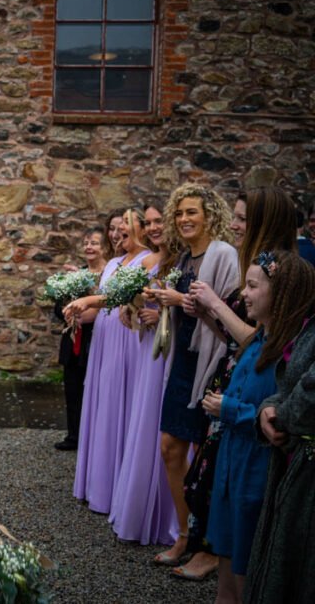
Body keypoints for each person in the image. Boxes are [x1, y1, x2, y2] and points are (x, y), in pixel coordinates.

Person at [183, 187, 298, 581]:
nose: (234, 224)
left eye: (243, 218)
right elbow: (235, 338)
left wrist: (215, 304)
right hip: (233, 381)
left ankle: (222, 561)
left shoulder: (284, 272)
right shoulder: (254, 266)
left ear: (264, 222)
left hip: (253, 395)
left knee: (233, 493)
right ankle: (213, 554)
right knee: (212, 483)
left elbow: (264, 341)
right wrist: (204, 314)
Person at [144, 183, 237, 568]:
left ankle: (208, 547)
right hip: (183, 361)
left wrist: (179, 300)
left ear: (210, 215)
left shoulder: (224, 255)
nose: (184, 219)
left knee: (204, 456)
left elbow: (232, 317)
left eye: (192, 212)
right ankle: (183, 534)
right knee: (171, 447)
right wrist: (162, 302)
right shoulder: (185, 258)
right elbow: (186, 308)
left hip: (211, 364)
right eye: (179, 213)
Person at [197, 251, 287, 604]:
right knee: (226, 552)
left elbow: (280, 419)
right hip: (230, 463)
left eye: (252, 286)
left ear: (278, 294)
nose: (244, 294)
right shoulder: (259, 341)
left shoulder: (286, 351)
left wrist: (229, 408)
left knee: (245, 560)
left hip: (254, 467)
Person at [65, 209, 150, 514]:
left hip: (127, 341)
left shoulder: (148, 260)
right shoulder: (113, 263)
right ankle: (97, 484)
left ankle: (117, 486)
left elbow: (119, 299)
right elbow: (102, 305)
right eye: (114, 230)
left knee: (120, 404)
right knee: (101, 404)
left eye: (124, 229)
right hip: (103, 338)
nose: (117, 234)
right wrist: (78, 312)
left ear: (141, 229)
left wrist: (88, 301)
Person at [243, 252, 315, 603]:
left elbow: (308, 394)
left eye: (253, 285)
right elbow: (286, 388)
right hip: (291, 462)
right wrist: (267, 410)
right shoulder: (304, 330)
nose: (244, 293)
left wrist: (279, 415)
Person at [107, 204, 180, 545]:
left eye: (157, 221)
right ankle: (138, 508)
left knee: (163, 431)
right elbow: (135, 304)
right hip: (148, 350)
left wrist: (162, 312)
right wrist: (133, 309)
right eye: (148, 223)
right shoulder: (150, 262)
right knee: (145, 424)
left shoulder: (182, 262)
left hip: (170, 353)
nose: (152, 228)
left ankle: (171, 519)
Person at [53, 226, 106, 451]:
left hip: (97, 339)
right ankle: (74, 435)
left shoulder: (109, 275)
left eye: (94, 242)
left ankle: (95, 438)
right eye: (86, 242)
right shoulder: (77, 274)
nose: (88, 247)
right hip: (73, 342)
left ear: (105, 247)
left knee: (96, 390)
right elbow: (57, 308)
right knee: (73, 388)